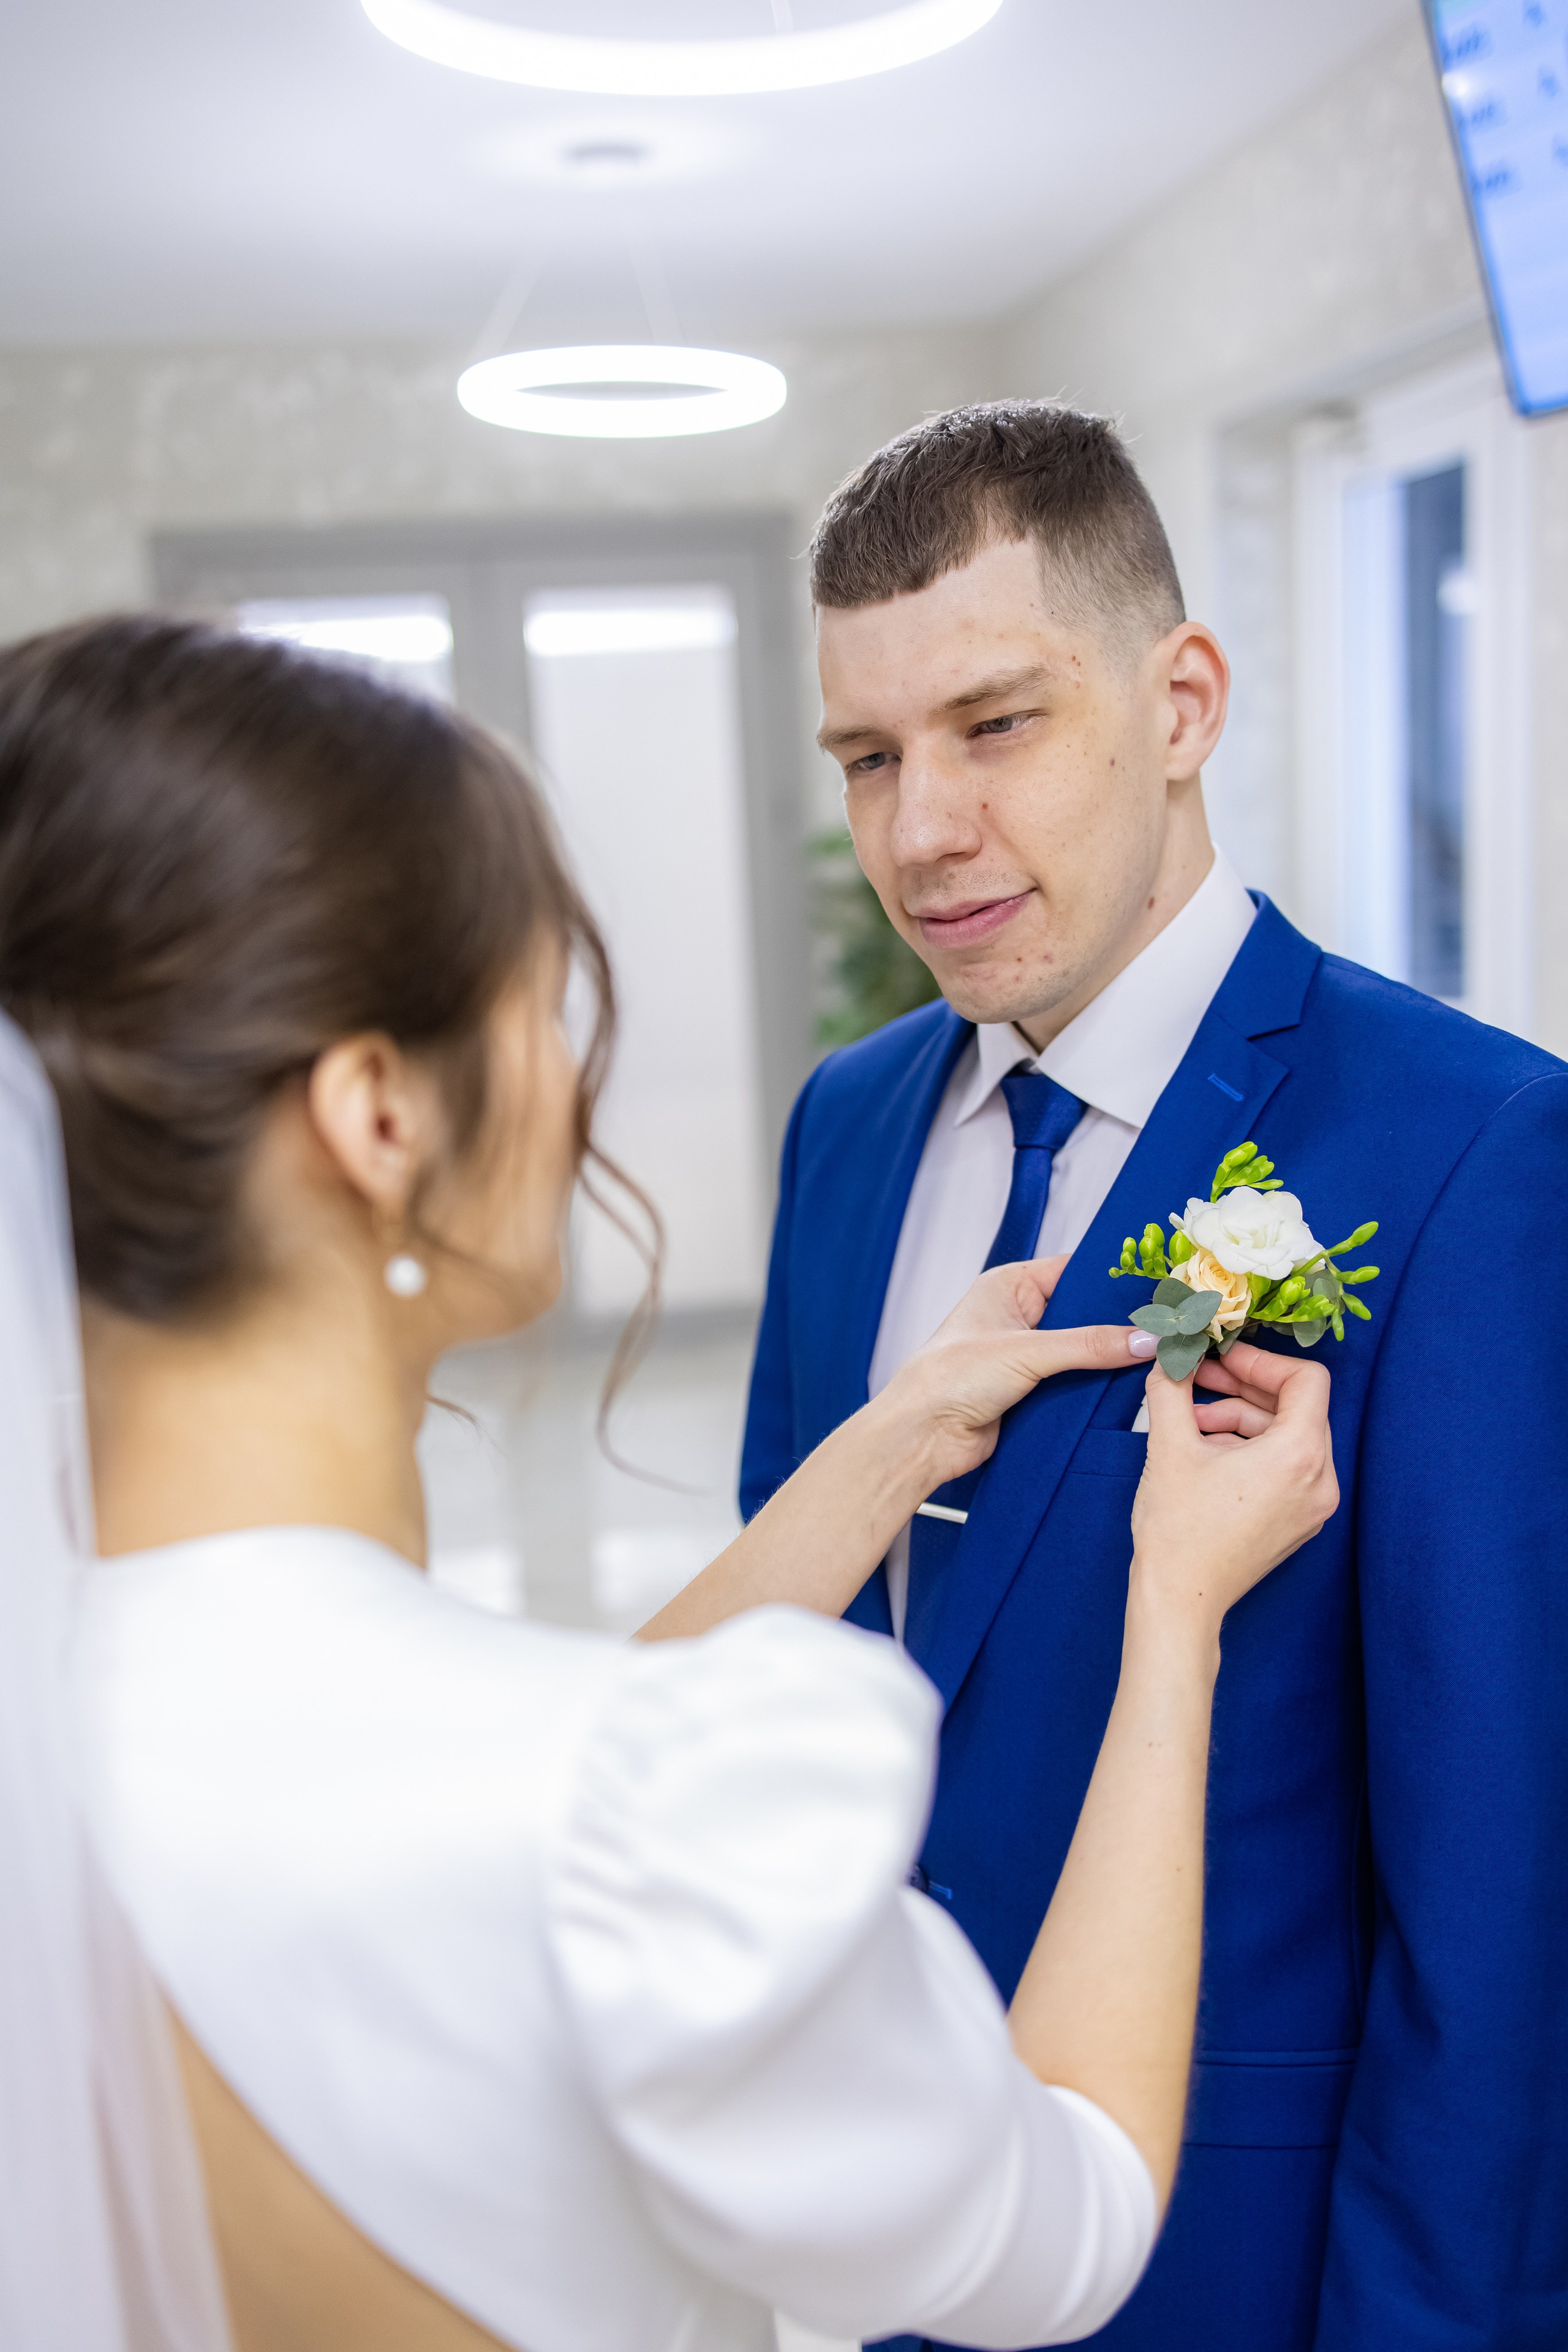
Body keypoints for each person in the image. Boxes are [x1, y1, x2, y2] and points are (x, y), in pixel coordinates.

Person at [0, 617, 1336, 2352]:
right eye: (543, 1004)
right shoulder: (623, 1829)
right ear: (379, 1118)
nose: (578, 1081)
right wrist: (1176, 1619)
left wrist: (891, 1442)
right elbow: (1065, 2212)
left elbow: (442, 1769)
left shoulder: (78, 1715)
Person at [740, 399, 1568, 2352]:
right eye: (868, 757)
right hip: (887, 2239)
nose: (919, 830)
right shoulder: (845, 1131)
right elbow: (792, 1681)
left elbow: (1502, 1900)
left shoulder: (1475, 1150)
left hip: (1237, 2266)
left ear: (1182, 700)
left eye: (995, 725)